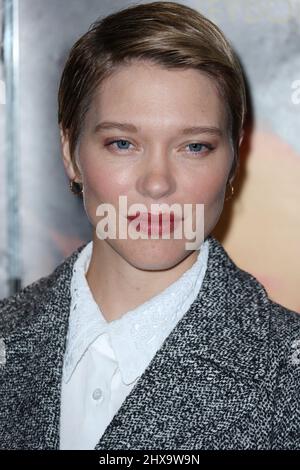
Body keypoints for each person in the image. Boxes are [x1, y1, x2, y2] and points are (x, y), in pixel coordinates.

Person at [0, 1, 299, 451]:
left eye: (194, 146)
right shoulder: (8, 337)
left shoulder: (288, 373)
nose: (157, 183)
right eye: (123, 143)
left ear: (233, 157)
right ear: (70, 152)